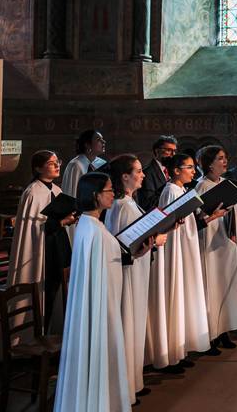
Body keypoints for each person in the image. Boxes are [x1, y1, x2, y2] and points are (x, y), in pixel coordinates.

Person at [54, 172, 155, 412]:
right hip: (101, 306)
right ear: (95, 196)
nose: (113, 194)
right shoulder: (94, 230)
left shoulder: (91, 226)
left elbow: (109, 262)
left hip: (103, 301)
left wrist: (137, 254)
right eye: (109, 190)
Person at [105, 155, 167, 404]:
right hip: (129, 275)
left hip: (137, 271)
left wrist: (158, 234)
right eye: (139, 171)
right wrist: (153, 243)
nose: (143, 175)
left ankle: (133, 382)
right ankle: (126, 387)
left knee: (136, 325)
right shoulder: (122, 205)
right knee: (129, 324)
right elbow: (123, 244)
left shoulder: (128, 202)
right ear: (125, 177)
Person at [147, 153, 210, 372]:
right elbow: (165, 223)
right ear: (176, 170)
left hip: (186, 247)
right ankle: (170, 353)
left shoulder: (182, 190)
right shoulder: (170, 190)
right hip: (175, 249)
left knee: (184, 297)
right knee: (175, 296)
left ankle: (179, 350)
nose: (194, 171)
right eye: (189, 167)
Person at [6, 150, 75, 341]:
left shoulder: (57, 191)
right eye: (51, 163)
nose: (57, 165)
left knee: (56, 290)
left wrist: (69, 219)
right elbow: (32, 230)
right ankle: (33, 337)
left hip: (57, 247)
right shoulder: (32, 192)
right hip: (40, 251)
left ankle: (53, 333)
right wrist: (61, 222)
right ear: (38, 168)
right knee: (42, 291)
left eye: (57, 161)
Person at [195, 146, 237, 351]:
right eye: (220, 158)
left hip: (226, 240)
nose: (225, 161)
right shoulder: (202, 186)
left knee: (227, 286)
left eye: (226, 158)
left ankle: (225, 329)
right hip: (210, 243)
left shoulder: (226, 184)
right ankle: (211, 334)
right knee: (213, 288)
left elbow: (233, 211)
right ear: (209, 164)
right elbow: (199, 215)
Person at [60, 129, 107, 201]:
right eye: (98, 139)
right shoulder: (76, 165)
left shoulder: (103, 164)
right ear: (87, 144)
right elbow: (71, 194)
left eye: (102, 139)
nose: (103, 142)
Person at [136, 135, 177, 212]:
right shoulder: (147, 173)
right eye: (169, 150)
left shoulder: (172, 171)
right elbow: (147, 204)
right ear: (157, 151)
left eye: (174, 151)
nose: (173, 154)